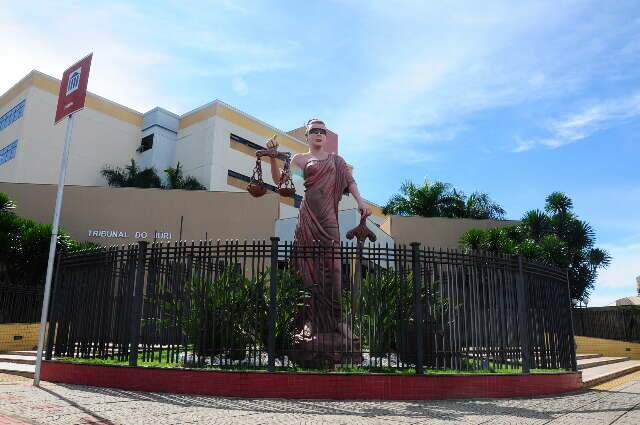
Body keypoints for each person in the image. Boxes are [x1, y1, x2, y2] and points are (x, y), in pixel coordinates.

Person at [266, 118, 370, 366]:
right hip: (307, 219)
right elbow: (281, 182)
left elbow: (350, 182)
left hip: (329, 219)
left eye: (323, 131)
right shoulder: (299, 160)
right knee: (306, 269)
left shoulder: (337, 161)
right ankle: (308, 321)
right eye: (314, 131)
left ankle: (336, 322)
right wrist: (272, 157)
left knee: (334, 269)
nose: (319, 134)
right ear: (307, 135)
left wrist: (361, 202)